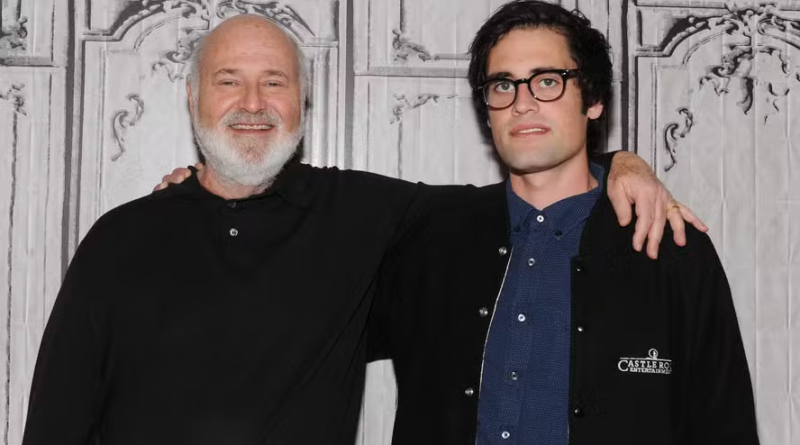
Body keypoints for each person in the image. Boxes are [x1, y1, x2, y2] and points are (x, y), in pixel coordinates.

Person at [23, 12, 702, 445]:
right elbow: (56, 421)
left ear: (303, 100)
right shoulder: (120, 239)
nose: (253, 103)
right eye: (228, 80)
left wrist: (622, 163)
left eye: (274, 82)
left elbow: (535, 182)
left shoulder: (361, 213)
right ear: (193, 96)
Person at [369, 1, 759, 444]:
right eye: (503, 85)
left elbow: (724, 423)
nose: (522, 103)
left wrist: (623, 162)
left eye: (548, 81)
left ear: (593, 100)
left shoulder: (667, 246)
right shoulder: (432, 240)